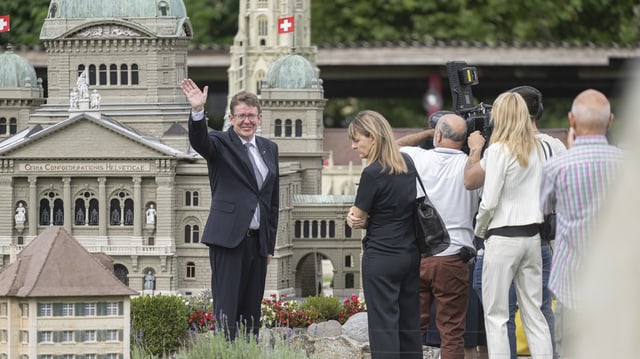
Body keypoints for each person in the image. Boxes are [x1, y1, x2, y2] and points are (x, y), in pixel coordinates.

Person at [468, 86, 565, 359]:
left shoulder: (498, 150)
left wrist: (480, 230)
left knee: (497, 316)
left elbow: (488, 201)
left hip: (502, 237)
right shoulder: (540, 147)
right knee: (535, 315)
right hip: (533, 238)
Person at [181, 79, 280, 340]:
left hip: (258, 243)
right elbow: (200, 141)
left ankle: (247, 352)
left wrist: (269, 245)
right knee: (227, 306)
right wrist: (197, 111)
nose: (246, 121)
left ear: (260, 118)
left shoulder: (270, 149)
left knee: (251, 310)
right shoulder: (219, 143)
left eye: (251, 116)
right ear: (231, 118)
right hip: (228, 241)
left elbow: (272, 201)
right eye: (241, 116)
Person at [539, 89, 622, 357]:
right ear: (610, 121)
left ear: (572, 120)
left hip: (570, 281)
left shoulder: (557, 167)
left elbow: (541, 211)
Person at [397, 114, 480, 359]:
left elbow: (391, 147)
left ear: (439, 134)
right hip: (455, 258)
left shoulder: (418, 158)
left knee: (413, 326)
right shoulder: (472, 166)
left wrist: (426, 133)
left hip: (419, 254)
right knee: (452, 331)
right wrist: (476, 149)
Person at [346, 110, 422, 358]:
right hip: (410, 255)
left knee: (383, 327)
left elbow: (357, 216)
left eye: (358, 139)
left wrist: (354, 219)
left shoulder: (371, 173)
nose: (354, 145)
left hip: (381, 257)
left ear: (374, 138)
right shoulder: (407, 164)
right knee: (409, 324)